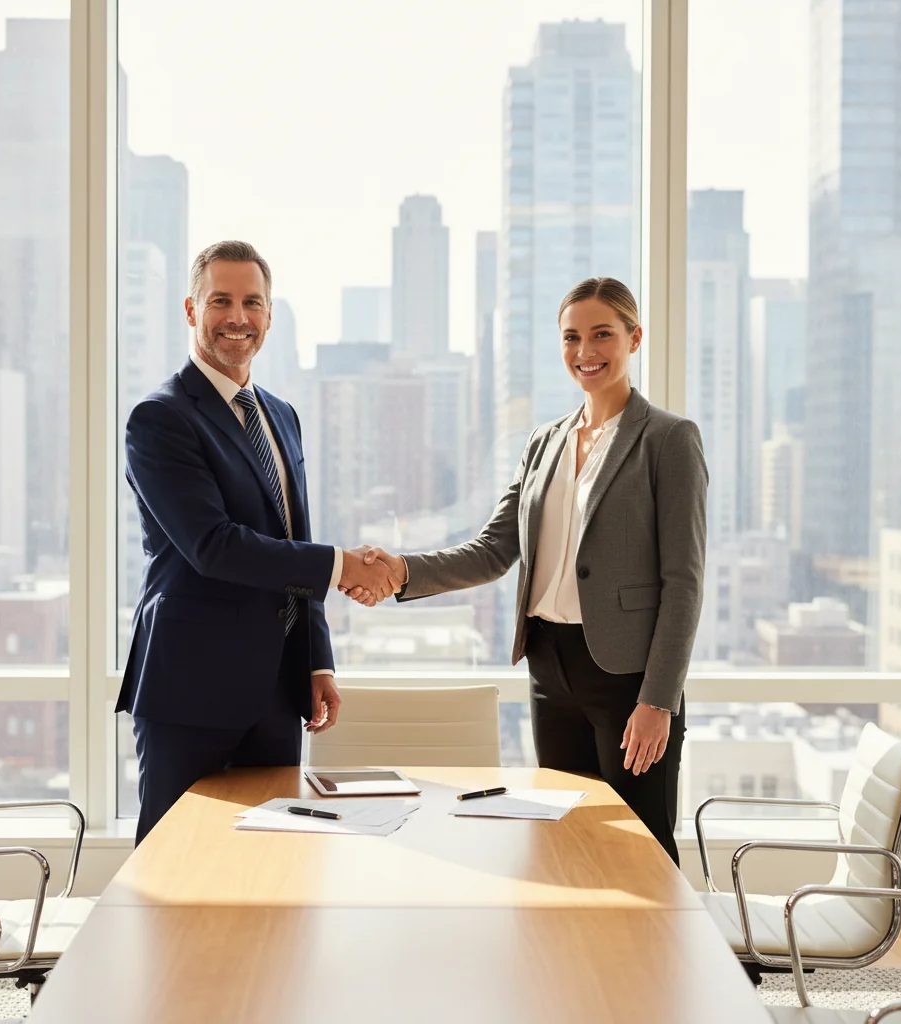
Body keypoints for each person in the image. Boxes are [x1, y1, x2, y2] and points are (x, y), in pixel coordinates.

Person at [344, 277, 707, 864]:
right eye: (571, 338)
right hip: (549, 667)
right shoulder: (544, 443)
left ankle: (658, 958)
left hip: (627, 678)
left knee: (642, 850)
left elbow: (683, 583)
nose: (585, 351)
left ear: (634, 338)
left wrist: (658, 701)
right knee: (566, 837)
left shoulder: (667, 440)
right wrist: (402, 570)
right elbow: (492, 550)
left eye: (602, 335)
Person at [118, 240, 402, 844]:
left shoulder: (281, 413)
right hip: (189, 690)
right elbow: (214, 546)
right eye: (221, 300)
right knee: (176, 864)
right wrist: (345, 565)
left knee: (271, 864)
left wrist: (316, 657)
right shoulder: (161, 418)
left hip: (276, 690)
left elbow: (293, 540)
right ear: (192, 311)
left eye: (253, 302)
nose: (238, 318)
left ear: (269, 315)